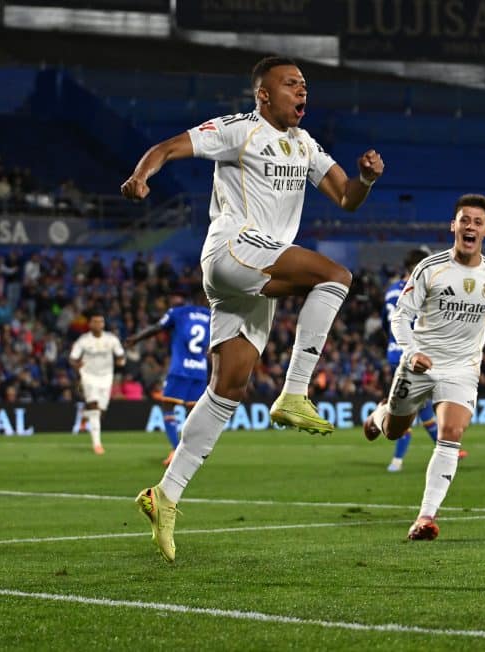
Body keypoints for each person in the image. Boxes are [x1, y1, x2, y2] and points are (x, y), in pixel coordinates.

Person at [120, 55, 384, 562]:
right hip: (233, 247)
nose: (301, 91)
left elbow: (346, 198)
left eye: (304, 85)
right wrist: (141, 176)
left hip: (252, 274)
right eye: (290, 84)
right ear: (263, 94)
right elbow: (169, 147)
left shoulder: (305, 145)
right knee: (337, 277)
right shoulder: (237, 130)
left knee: (230, 385)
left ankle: (165, 496)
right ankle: (295, 392)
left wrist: (366, 179)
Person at [363, 194, 485, 540]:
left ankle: (425, 517)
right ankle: (379, 414)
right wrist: (413, 351)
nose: (470, 227)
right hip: (420, 364)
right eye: (464, 220)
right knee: (393, 430)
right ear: (454, 225)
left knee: (451, 433)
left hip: (463, 368)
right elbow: (401, 316)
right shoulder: (430, 269)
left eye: (478, 222)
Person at [381, 248, 451, 473]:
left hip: (395, 352)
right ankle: (397, 459)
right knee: (407, 411)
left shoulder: (391, 291)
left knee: (423, 409)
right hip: (414, 356)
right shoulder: (421, 291)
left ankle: (449, 451)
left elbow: (387, 323)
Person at [125, 290, 211, 466]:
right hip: (200, 371)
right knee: (193, 413)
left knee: (167, 406)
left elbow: (157, 327)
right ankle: (194, 450)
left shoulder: (178, 312)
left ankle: (176, 448)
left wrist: (136, 338)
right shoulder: (212, 316)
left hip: (180, 370)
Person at [69, 312, 125, 455]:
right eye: (95, 321)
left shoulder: (111, 339)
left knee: (101, 411)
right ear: (90, 324)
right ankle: (97, 444)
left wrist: (120, 361)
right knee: (94, 406)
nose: (98, 324)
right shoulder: (83, 340)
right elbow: (73, 358)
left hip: (106, 377)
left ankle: (86, 415)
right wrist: (76, 366)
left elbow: (120, 354)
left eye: (101, 321)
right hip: (88, 376)